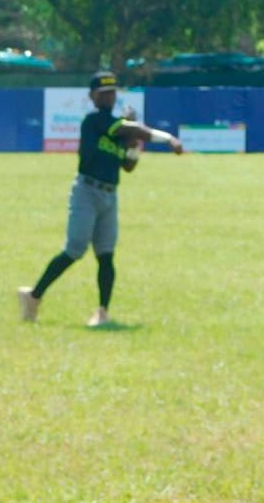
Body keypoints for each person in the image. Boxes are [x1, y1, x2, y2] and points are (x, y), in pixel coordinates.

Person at [17, 70, 183, 326]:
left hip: (109, 195)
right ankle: (34, 297)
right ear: (93, 96)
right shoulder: (94, 121)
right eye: (103, 93)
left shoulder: (119, 130)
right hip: (86, 191)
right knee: (75, 250)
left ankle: (102, 312)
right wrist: (167, 138)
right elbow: (130, 128)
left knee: (106, 254)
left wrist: (132, 144)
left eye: (112, 93)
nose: (108, 97)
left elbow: (127, 167)